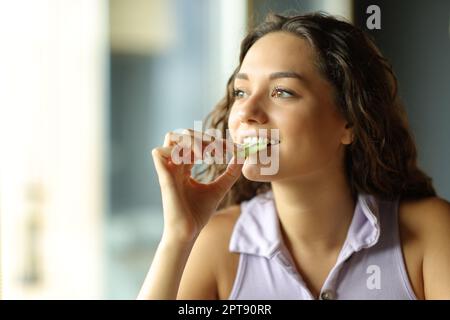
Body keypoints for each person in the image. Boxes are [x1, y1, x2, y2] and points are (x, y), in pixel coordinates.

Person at [138, 12, 450, 300]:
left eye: (282, 92)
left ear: (350, 122)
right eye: (241, 92)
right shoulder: (217, 244)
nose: (246, 111)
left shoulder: (429, 232)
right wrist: (179, 236)